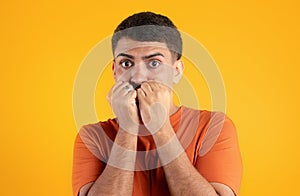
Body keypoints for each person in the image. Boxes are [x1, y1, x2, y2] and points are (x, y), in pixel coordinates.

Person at [72, 12, 242, 196]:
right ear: (115, 71)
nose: (137, 77)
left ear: (176, 71)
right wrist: (128, 128)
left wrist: (161, 128)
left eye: (154, 63)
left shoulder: (213, 127)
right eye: (126, 63)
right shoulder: (92, 136)